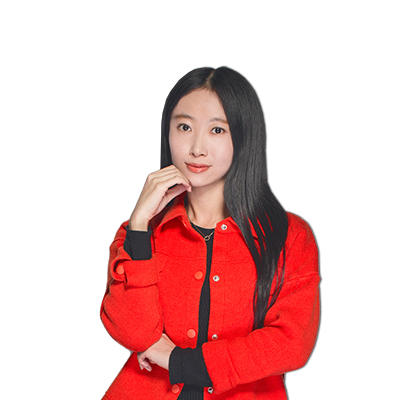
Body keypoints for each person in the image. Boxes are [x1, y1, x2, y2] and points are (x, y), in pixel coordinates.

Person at [100, 66, 320, 400]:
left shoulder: (289, 236)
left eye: (217, 130)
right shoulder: (140, 233)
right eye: (184, 127)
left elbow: (291, 343)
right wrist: (140, 223)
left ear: (244, 137)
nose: (197, 148)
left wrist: (180, 362)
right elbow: (133, 333)